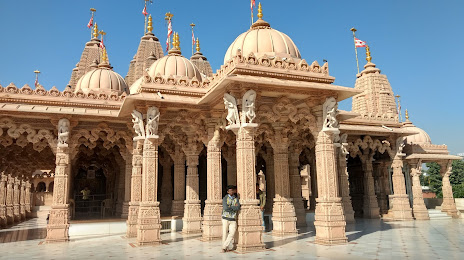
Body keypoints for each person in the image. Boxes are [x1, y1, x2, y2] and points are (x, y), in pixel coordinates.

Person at [222, 185, 240, 252]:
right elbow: (225, 208)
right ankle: (224, 248)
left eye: (232, 190)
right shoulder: (225, 199)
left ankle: (224, 246)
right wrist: (233, 207)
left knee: (232, 233)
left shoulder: (236, 199)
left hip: (233, 218)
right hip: (225, 218)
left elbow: (238, 208)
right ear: (228, 191)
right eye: (230, 190)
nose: (231, 191)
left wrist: (230, 207)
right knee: (225, 233)